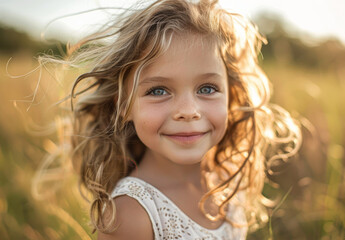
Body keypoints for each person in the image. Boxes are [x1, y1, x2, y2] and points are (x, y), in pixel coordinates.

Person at [57, 0, 302, 239]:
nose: (188, 111)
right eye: (158, 91)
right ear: (123, 105)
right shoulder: (129, 214)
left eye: (206, 88)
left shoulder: (228, 178)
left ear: (232, 96)